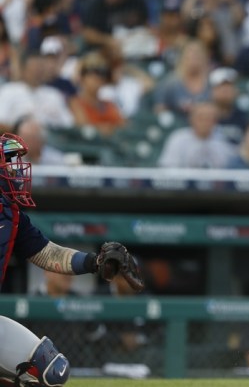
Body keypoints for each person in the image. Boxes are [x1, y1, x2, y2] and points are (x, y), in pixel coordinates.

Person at [0, 133, 143, 386]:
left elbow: (46, 253)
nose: (15, 172)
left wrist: (94, 262)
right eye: (7, 164)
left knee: (52, 371)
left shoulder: (10, 214)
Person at [157, 101, 236, 169]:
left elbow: (232, 171)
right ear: (191, 119)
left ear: (215, 122)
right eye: (200, 118)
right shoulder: (178, 138)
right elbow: (167, 169)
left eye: (209, 118)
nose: (204, 123)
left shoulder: (224, 139)